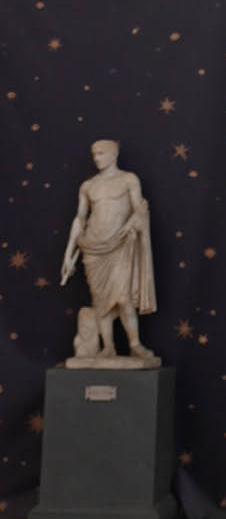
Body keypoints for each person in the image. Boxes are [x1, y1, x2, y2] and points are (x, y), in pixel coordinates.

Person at [60, 140, 157, 362]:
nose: (97, 158)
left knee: (123, 298)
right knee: (100, 302)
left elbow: (139, 209)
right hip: (92, 247)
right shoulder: (88, 186)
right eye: (94, 154)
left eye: (101, 153)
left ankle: (135, 344)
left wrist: (134, 222)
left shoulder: (128, 179)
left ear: (114, 154)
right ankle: (108, 347)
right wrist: (68, 254)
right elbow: (80, 219)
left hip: (119, 244)